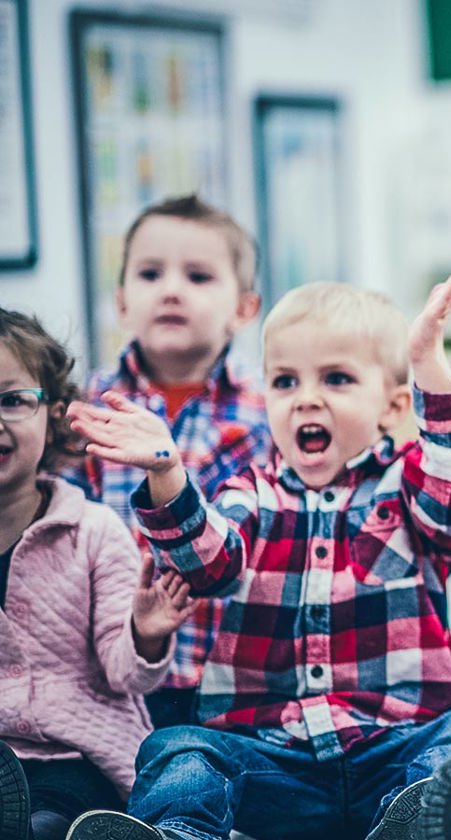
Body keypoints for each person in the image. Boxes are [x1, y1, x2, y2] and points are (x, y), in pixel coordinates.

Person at [65, 254, 451, 840]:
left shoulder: (409, 486)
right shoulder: (249, 493)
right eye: (285, 381)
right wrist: (168, 470)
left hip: (395, 752)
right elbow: (206, 563)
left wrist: (427, 363)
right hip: (273, 764)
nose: (305, 398)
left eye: (336, 379)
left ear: (393, 406)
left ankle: (425, 824)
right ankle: (177, 832)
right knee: (178, 747)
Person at [79, 194, 271, 729]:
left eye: (198, 276)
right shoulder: (90, 410)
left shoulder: (267, 410)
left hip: (237, 671)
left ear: (244, 308)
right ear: (120, 301)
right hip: (115, 667)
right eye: (149, 273)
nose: (170, 289)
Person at [0, 308, 190, 840]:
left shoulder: (93, 531)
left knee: (58, 814)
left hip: (78, 753)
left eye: (12, 400)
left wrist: (144, 635)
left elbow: (125, 674)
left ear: (55, 415)